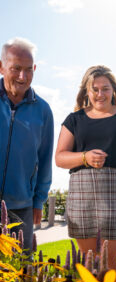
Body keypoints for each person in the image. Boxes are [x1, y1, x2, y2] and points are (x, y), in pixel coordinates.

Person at [55, 65, 116, 278]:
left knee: (115, 264)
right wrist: (84, 157)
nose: (100, 94)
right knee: (88, 263)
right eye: (95, 89)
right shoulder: (74, 120)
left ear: (114, 90)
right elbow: (60, 157)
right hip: (82, 194)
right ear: (86, 92)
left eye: (105, 88)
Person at [0, 38, 54, 254]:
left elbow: (45, 158)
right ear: (1, 66)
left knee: (22, 276)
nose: (22, 77)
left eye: (28, 70)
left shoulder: (43, 110)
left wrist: (39, 201)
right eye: (15, 69)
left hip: (21, 206)